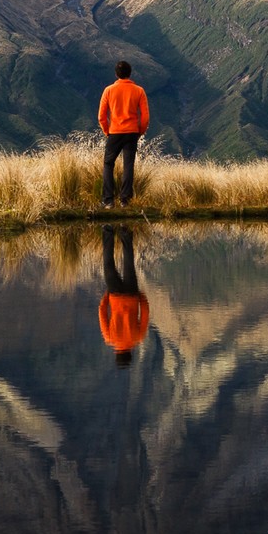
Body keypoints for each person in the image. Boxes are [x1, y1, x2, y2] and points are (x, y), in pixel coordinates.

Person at [96, 60, 149, 208]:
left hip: (115, 132)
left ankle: (108, 200)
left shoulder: (109, 90)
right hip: (132, 132)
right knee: (128, 165)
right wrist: (140, 131)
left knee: (108, 164)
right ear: (130, 73)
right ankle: (125, 200)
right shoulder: (139, 91)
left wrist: (107, 131)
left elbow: (101, 115)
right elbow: (145, 117)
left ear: (116, 74)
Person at [97, 225, 149, 366]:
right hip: (114, 294)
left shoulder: (138, 338)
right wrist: (106, 297)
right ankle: (108, 229)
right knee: (108, 264)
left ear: (130, 353)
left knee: (128, 262)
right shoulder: (109, 339)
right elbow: (102, 314)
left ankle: (125, 231)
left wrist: (141, 297)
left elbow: (144, 314)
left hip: (132, 295)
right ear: (117, 353)